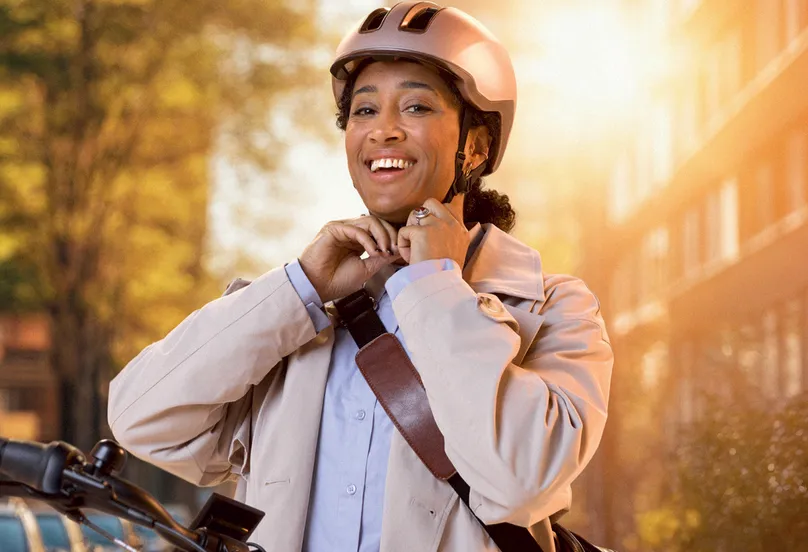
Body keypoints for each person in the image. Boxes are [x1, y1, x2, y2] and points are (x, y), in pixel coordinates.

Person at [107, 3, 613, 551]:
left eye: (416, 107)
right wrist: (301, 285)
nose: (383, 131)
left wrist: (436, 286)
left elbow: (522, 482)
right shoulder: (299, 314)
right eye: (364, 111)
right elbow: (142, 418)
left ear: (476, 145)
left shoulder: (552, 308)